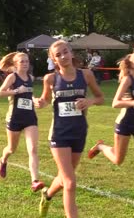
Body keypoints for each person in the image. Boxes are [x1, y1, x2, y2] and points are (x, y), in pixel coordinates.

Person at [36, 40, 104, 218]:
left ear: (71, 53)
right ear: (53, 59)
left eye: (65, 52)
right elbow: (44, 100)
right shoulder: (51, 78)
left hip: (79, 132)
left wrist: (88, 101)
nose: (63, 56)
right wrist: (39, 102)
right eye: (58, 55)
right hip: (59, 133)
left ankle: (47, 194)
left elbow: (100, 97)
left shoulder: (86, 75)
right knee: (70, 182)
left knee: (66, 177)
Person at [87, 51, 134, 209]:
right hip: (125, 123)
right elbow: (115, 103)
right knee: (117, 160)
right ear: (132, 64)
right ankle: (100, 146)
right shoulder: (128, 79)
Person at [0, 52, 44, 193]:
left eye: (27, 61)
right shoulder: (12, 77)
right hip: (15, 117)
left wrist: (35, 100)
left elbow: (29, 95)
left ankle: (35, 181)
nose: (25, 63)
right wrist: (17, 90)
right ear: (16, 64)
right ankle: (3, 160)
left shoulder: (30, 78)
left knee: (33, 149)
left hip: (30, 117)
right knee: (12, 149)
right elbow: (0, 93)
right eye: (22, 61)